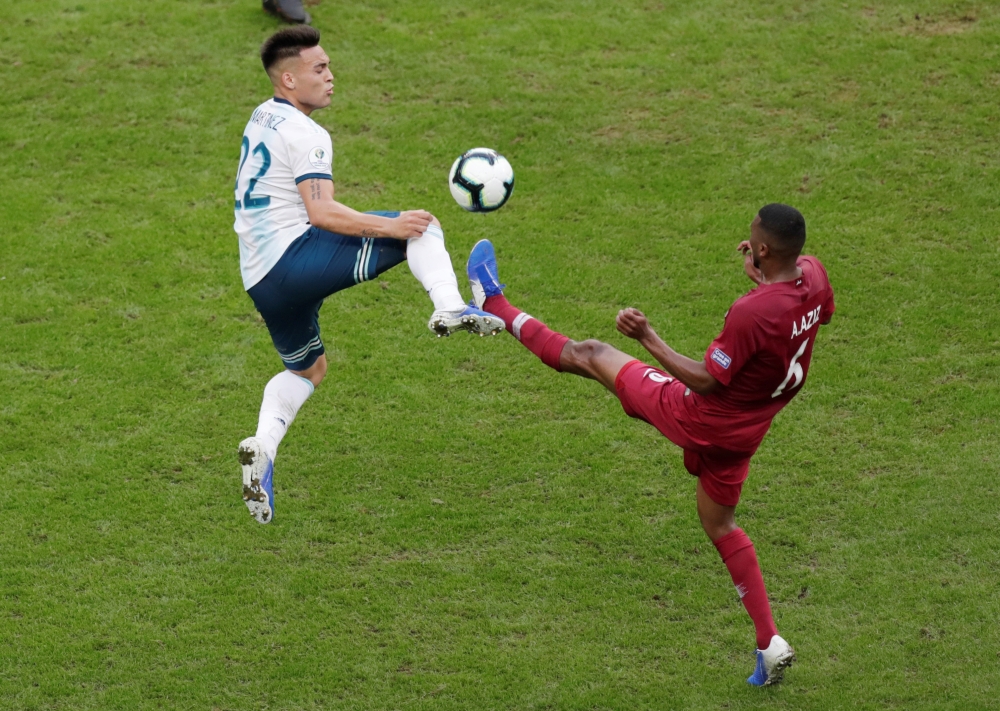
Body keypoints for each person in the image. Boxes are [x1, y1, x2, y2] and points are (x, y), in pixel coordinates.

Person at [466, 203, 834, 686]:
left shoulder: (752, 312)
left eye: (753, 243)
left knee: (592, 354)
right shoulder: (814, 276)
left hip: (699, 416)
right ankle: (769, 643)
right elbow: (800, 315)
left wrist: (648, 337)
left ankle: (491, 304)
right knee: (721, 526)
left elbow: (705, 379)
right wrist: (762, 277)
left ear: (764, 248)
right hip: (746, 434)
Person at [234, 26, 503, 524]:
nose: (331, 77)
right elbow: (322, 213)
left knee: (308, 371)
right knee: (420, 227)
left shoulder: (262, 114)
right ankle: (448, 306)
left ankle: (262, 447)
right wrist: (391, 225)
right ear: (289, 78)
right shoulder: (308, 132)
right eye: (320, 69)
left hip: (259, 279)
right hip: (296, 258)